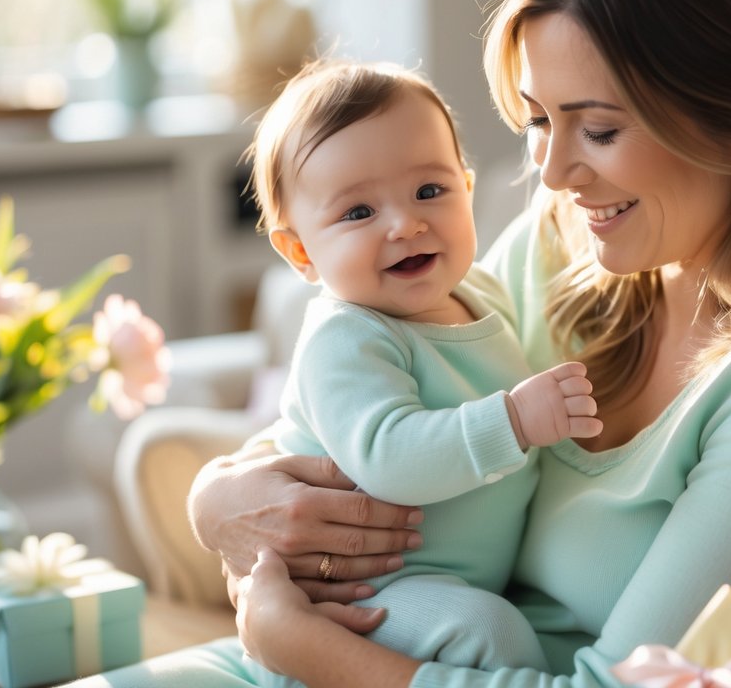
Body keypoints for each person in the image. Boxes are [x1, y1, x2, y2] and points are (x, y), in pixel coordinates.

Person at [76, 0, 731, 688]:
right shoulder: (565, 252)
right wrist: (217, 499)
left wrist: (296, 643)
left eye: (599, 130)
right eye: (538, 121)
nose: (553, 174)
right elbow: (351, 398)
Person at [243, 59, 601, 684]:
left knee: (493, 622)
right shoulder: (345, 336)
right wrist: (513, 420)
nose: (405, 224)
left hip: (438, 586)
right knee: (494, 634)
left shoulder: (482, 296)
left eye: (429, 192)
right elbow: (389, 457)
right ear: (300, 250)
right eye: (358, 212)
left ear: (466, 186)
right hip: (357, 598)